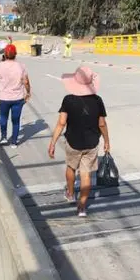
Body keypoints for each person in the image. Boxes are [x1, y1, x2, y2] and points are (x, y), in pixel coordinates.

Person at [47, 65, 109, 218]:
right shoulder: (97, 100)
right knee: (86, 174)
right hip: (92, 143)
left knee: (71, 167)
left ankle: (70, 193)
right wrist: (107, 141)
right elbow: (102, 123)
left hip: (73, 142)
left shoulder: (68, 100)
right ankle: (82, 206)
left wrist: (53, 142)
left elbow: (61, 122)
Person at [0, 44, 31, 146]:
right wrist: (28, 93)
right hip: (18, 98)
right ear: (16, 54)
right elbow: (26, 82)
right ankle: (14, 142)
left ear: (5, 54)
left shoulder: (1, 65)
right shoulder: (21, 66)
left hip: (4, 98)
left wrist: (1, 62)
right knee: (16, 120)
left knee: (3, 117)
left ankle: (4, 138)